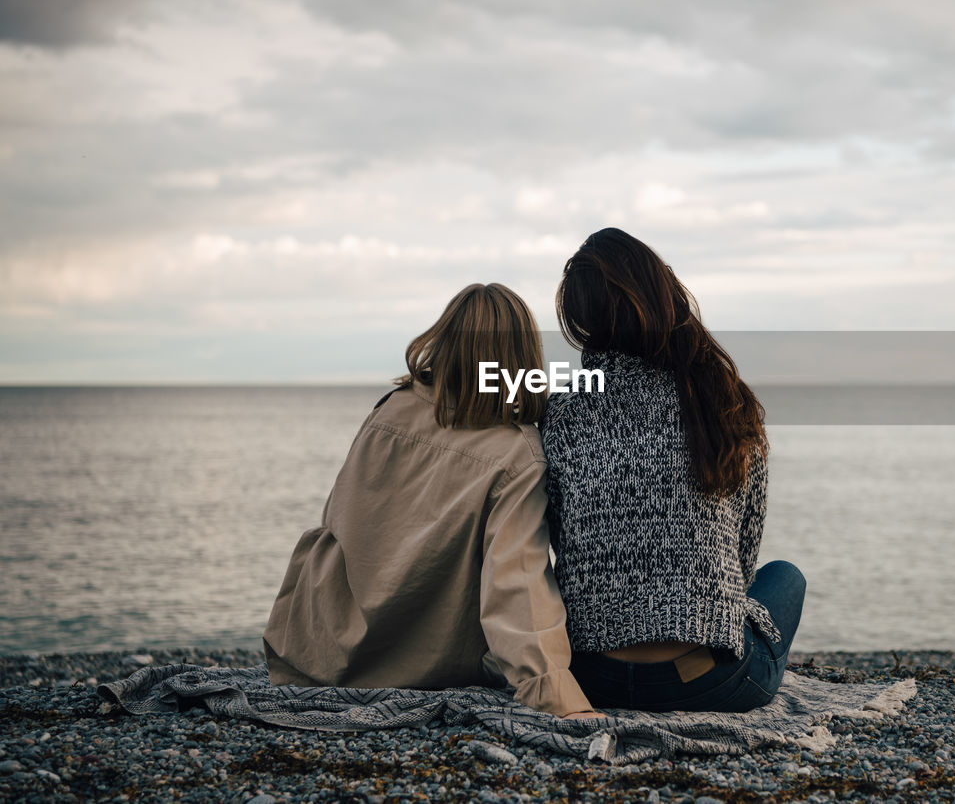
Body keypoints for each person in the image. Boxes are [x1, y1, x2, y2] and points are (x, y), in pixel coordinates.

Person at [262, 283, 601, 719]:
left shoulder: (388, 410)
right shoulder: (517, 454)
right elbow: (516, 584)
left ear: (446, 342)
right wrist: (558, 698)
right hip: (412, 665)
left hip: (315, 649)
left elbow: (341, 522)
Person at [542, 228, 806, 712]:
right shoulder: (724, 403)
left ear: (581, 321)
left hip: (590, 677)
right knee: (785, 577)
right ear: (664, 296)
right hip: (706, 684)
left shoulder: (562, 412)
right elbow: (742, 562)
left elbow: (563, 542)